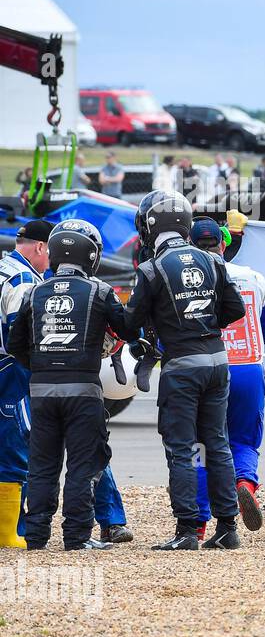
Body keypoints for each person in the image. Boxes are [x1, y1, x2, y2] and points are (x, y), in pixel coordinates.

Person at [125, 190, 246, 549]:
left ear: (151, 226)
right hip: (217, 361)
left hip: (181, 367)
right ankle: (228, 529)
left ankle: (186, 530)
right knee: (217, 443)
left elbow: (131, 323)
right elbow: (235, 310)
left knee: (181, 449)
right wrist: (204, 325)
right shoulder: (213, 261)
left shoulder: (151, 269)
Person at [7, 221, 133, 550]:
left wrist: (42, 366)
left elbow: (16, 343)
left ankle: (35, 536)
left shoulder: (35, 291)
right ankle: (76, 538)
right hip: (83, 390)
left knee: (42, 464)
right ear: (88, 257)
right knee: (83, 464)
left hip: (42, 392)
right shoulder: (100, 291)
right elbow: (127, 329)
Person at [190, 217, 265, 533]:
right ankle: (246, 485)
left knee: (200, 445)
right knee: (244, 440)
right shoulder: (253, 277)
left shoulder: (185, 278)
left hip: (204, 366)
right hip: (248, 367)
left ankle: (197, 521)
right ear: (224, 245)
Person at [0, 220, 52, 548]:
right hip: (10, 368)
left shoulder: (3, 265)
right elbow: (16, 331)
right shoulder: (24, 280)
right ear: (40, 247)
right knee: (14, 443)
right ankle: (9, 533)